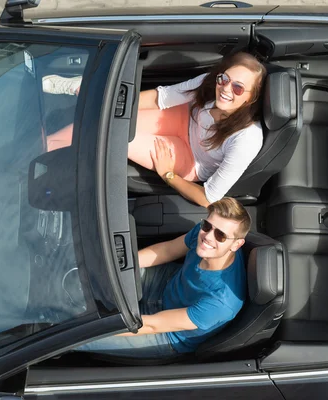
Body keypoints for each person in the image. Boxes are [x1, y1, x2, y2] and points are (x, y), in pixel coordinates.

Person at [42, 52, 267, 207]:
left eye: (238, 88)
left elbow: (209, 198)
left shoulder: (247, 139)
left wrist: (170, 175)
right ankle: (82, 97)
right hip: (184, 119)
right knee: (115, 115)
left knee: (114, 135)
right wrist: (110, 102)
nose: (226, 88)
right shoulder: (210, 83)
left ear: (251, 98)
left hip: (190, 158)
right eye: (225, 79)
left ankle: (43, 157)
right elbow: (163, 97)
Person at [75, 197, 251, 358]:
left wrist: (93, 328)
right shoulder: (204, 235)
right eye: (207, 225)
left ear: (237, 244)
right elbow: (167, 250)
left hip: (168, 333)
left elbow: (154, 325)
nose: (208, 237)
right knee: (89, 276)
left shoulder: (221, 302)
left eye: (220, 235)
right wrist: (115, 269)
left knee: (78, 337)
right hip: (166, 283)